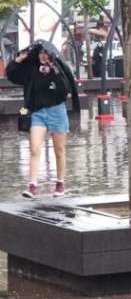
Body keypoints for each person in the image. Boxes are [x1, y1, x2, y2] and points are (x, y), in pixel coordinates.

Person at [6, 40, 80, 199]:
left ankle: (60, 183)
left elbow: (65, 90)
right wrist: (17, 60)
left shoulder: (57, 69)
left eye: (45, 53)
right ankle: (32, 185)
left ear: (51, 55)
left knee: (59, 150)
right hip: (38, 112)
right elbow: (11, 74)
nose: (42, 55)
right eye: (40, 53)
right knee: (34, 148)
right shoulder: (31, 69)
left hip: (57, 112)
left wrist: (54, 70)